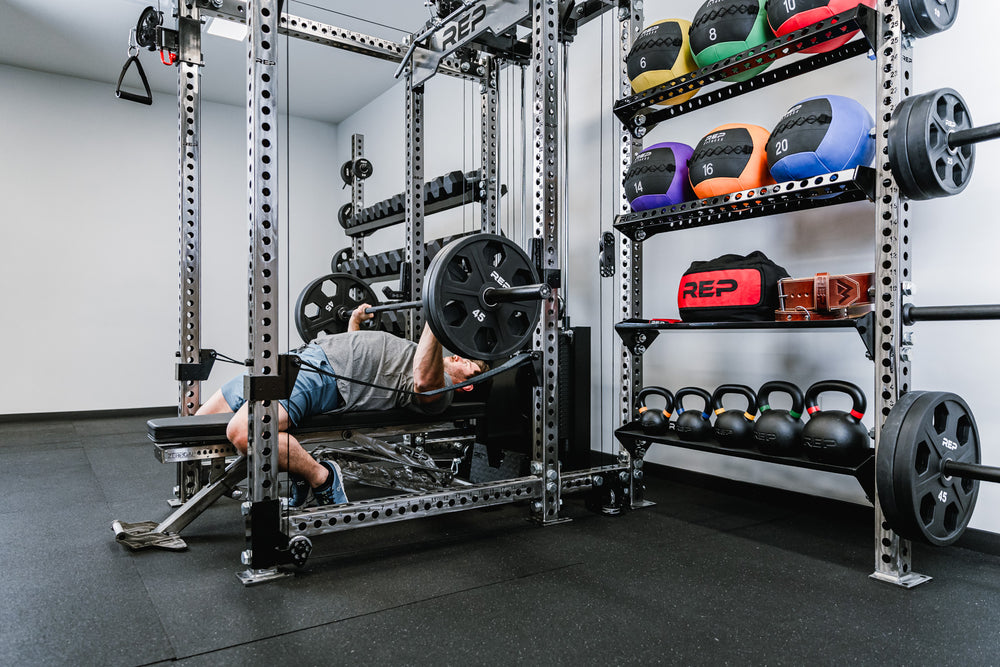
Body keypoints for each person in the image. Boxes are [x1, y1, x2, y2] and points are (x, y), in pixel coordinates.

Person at [197, 304, 487, 508]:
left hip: (324, 376)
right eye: (460, 355)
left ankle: (320, 477)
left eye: (469, 362)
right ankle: (295, 473)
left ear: (469, 382)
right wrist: (355, 322)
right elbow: (359, 349)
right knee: (197, 423)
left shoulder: (442, 385)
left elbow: (424, 383)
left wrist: (436, 315)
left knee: (245, 431)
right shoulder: (420, 354)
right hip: (302, 357)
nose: (459, 357)